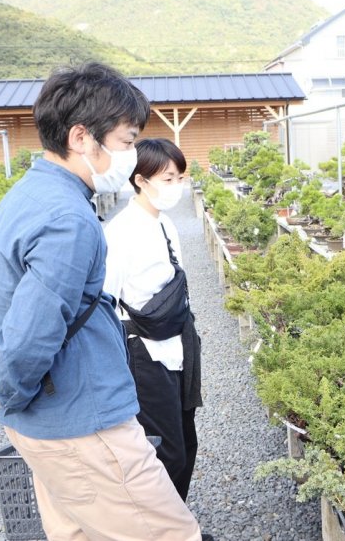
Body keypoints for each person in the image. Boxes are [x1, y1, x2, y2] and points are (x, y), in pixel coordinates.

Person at [0, 62, 206, 541]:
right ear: (81, 137)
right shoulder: (67, 220)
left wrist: (10, 396)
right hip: (84, 421)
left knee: (76, 531)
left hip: (53, 422)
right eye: (126, 140)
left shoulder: (30, 194)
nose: (132, 155)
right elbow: (32, 334)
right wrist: (6, 394)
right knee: (170, 532)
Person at [103, 138, 202, 502]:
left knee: (186, 442)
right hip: (143, 352)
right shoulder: (120, 232)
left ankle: (175, 523)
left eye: (180, 178)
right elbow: (105, 300)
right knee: (165, 451)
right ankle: (159, 527)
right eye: (168, 179)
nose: (177, 187)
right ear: (140, 181)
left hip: (176, 346)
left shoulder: (164, 224)